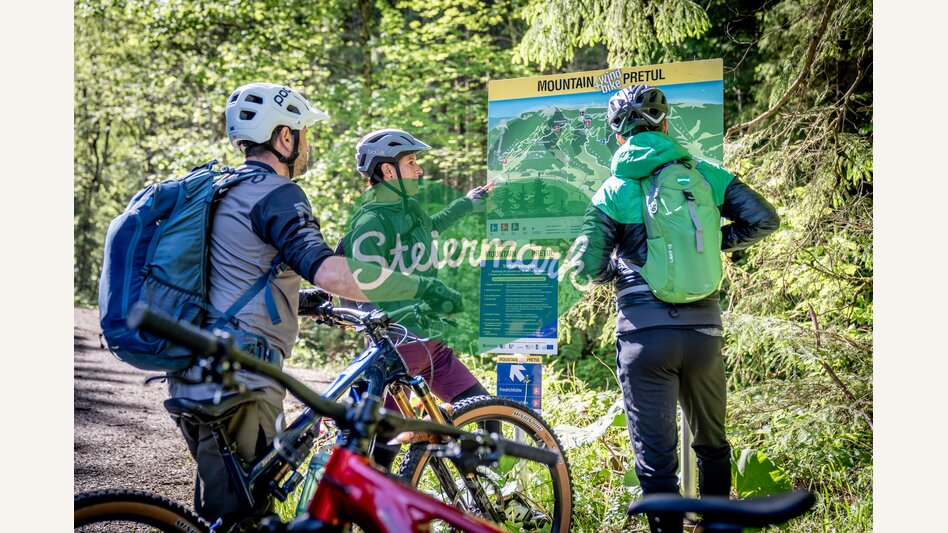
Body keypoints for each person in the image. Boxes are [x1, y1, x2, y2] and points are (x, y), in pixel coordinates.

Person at [168, 84, 460, 529]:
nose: (308, 143)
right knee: (249, 519)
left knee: (229, 517)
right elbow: (331, 271)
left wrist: (307, 303)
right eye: (303, 132)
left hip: (191, 369)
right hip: (242, 379)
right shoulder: (277, 194)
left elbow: (236, 279)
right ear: (284, 138)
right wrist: (421, 287)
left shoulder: (219, 191)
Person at [572, 84, 780, 533]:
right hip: (704, 331)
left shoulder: (612, 190)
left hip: (644, 336)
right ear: (665, 125)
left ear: (619, 136)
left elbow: (588, 263)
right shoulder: (706, 174)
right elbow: (764, 218)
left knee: (656, 457)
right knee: (713, 443)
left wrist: (617, 271)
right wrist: (712, 247)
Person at [337, 128, 494, 469]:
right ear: (388, 171)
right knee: (383, 454)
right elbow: (360, 280)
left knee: (486, 415)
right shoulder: (371, 219)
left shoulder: (408, 208)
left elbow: (430, 227)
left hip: (432, 346)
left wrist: (467, 202)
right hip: (397, 353)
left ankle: (478, 497)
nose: (419, 170)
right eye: (411, 162)